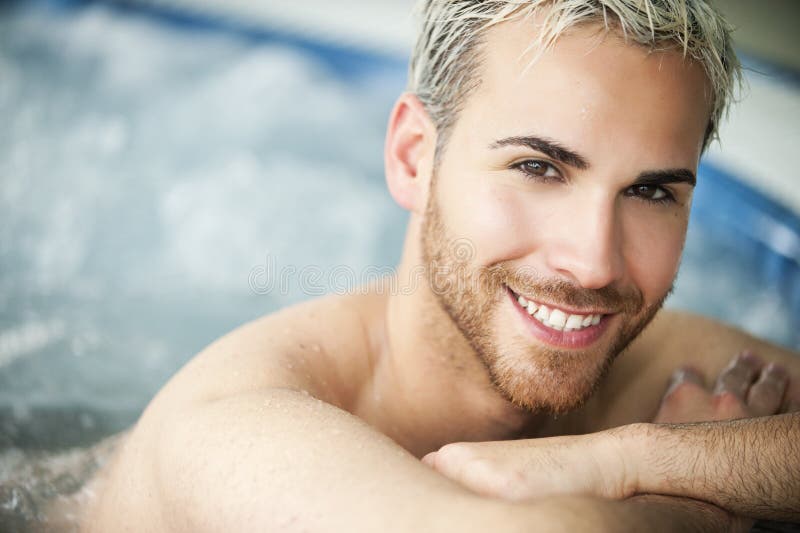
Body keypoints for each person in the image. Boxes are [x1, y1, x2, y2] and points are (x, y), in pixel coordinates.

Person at [80, 0, 800, 531]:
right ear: (412, 158)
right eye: (538, 167)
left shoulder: (658, 379)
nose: (590, 263)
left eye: (650, 190)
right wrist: (686, 508)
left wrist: (633, 461)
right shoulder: (234, 427)